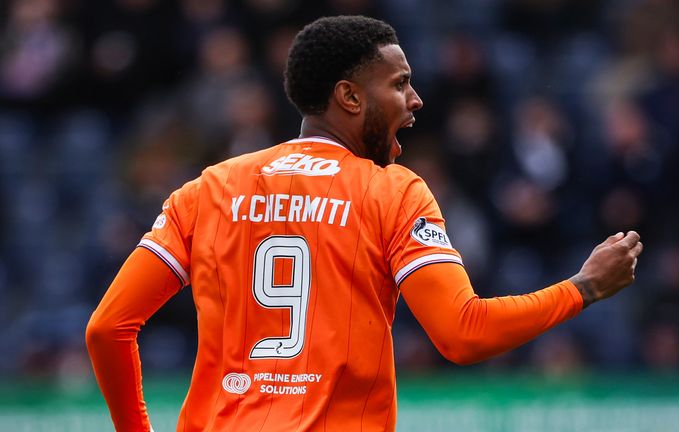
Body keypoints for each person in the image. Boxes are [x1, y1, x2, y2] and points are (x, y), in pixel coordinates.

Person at [85, 15, 643, 432]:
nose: (416, 100)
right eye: (399, 84)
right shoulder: (391, 192)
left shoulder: (208, 190)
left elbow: (107, 329)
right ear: (349, 97)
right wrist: (584, 287)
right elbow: (464, 334)